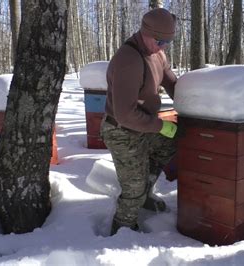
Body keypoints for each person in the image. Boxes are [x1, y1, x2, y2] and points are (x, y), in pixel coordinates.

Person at [101, 8, 178, 235]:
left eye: (168, 42)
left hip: (143, 124)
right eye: (159, 41)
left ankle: (144, 194)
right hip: (121, 130)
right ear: (145, 32)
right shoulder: (129, 60)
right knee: (132, 187)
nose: (163, 46)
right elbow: (125, 114)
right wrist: (161, 126)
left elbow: (172, 83)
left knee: (168, 145)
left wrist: (194, 101)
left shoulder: (158, 53)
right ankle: (123, 228)